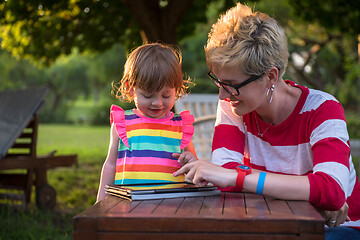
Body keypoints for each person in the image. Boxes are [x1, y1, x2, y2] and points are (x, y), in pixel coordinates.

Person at [172, 3, 360, 239]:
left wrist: (238, 177)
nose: (222, 95)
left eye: (232, 85)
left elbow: (332, 190)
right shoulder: (233, 107)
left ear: (270, 76)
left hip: (340, 229)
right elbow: (225, 182)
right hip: (273, 224)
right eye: (218, 82)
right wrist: (309, 194)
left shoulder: (323, 109)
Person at [97, 43, 196, 202]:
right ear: (131, 89)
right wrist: (100, 202)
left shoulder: (180, 127)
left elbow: (193, 166)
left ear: (176, 90)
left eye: (166, 96)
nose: (157, 103)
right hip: (128, 206)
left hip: (172, 205)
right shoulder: (123, 124)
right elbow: (110, 165)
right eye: (148, 96)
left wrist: (193, 163)